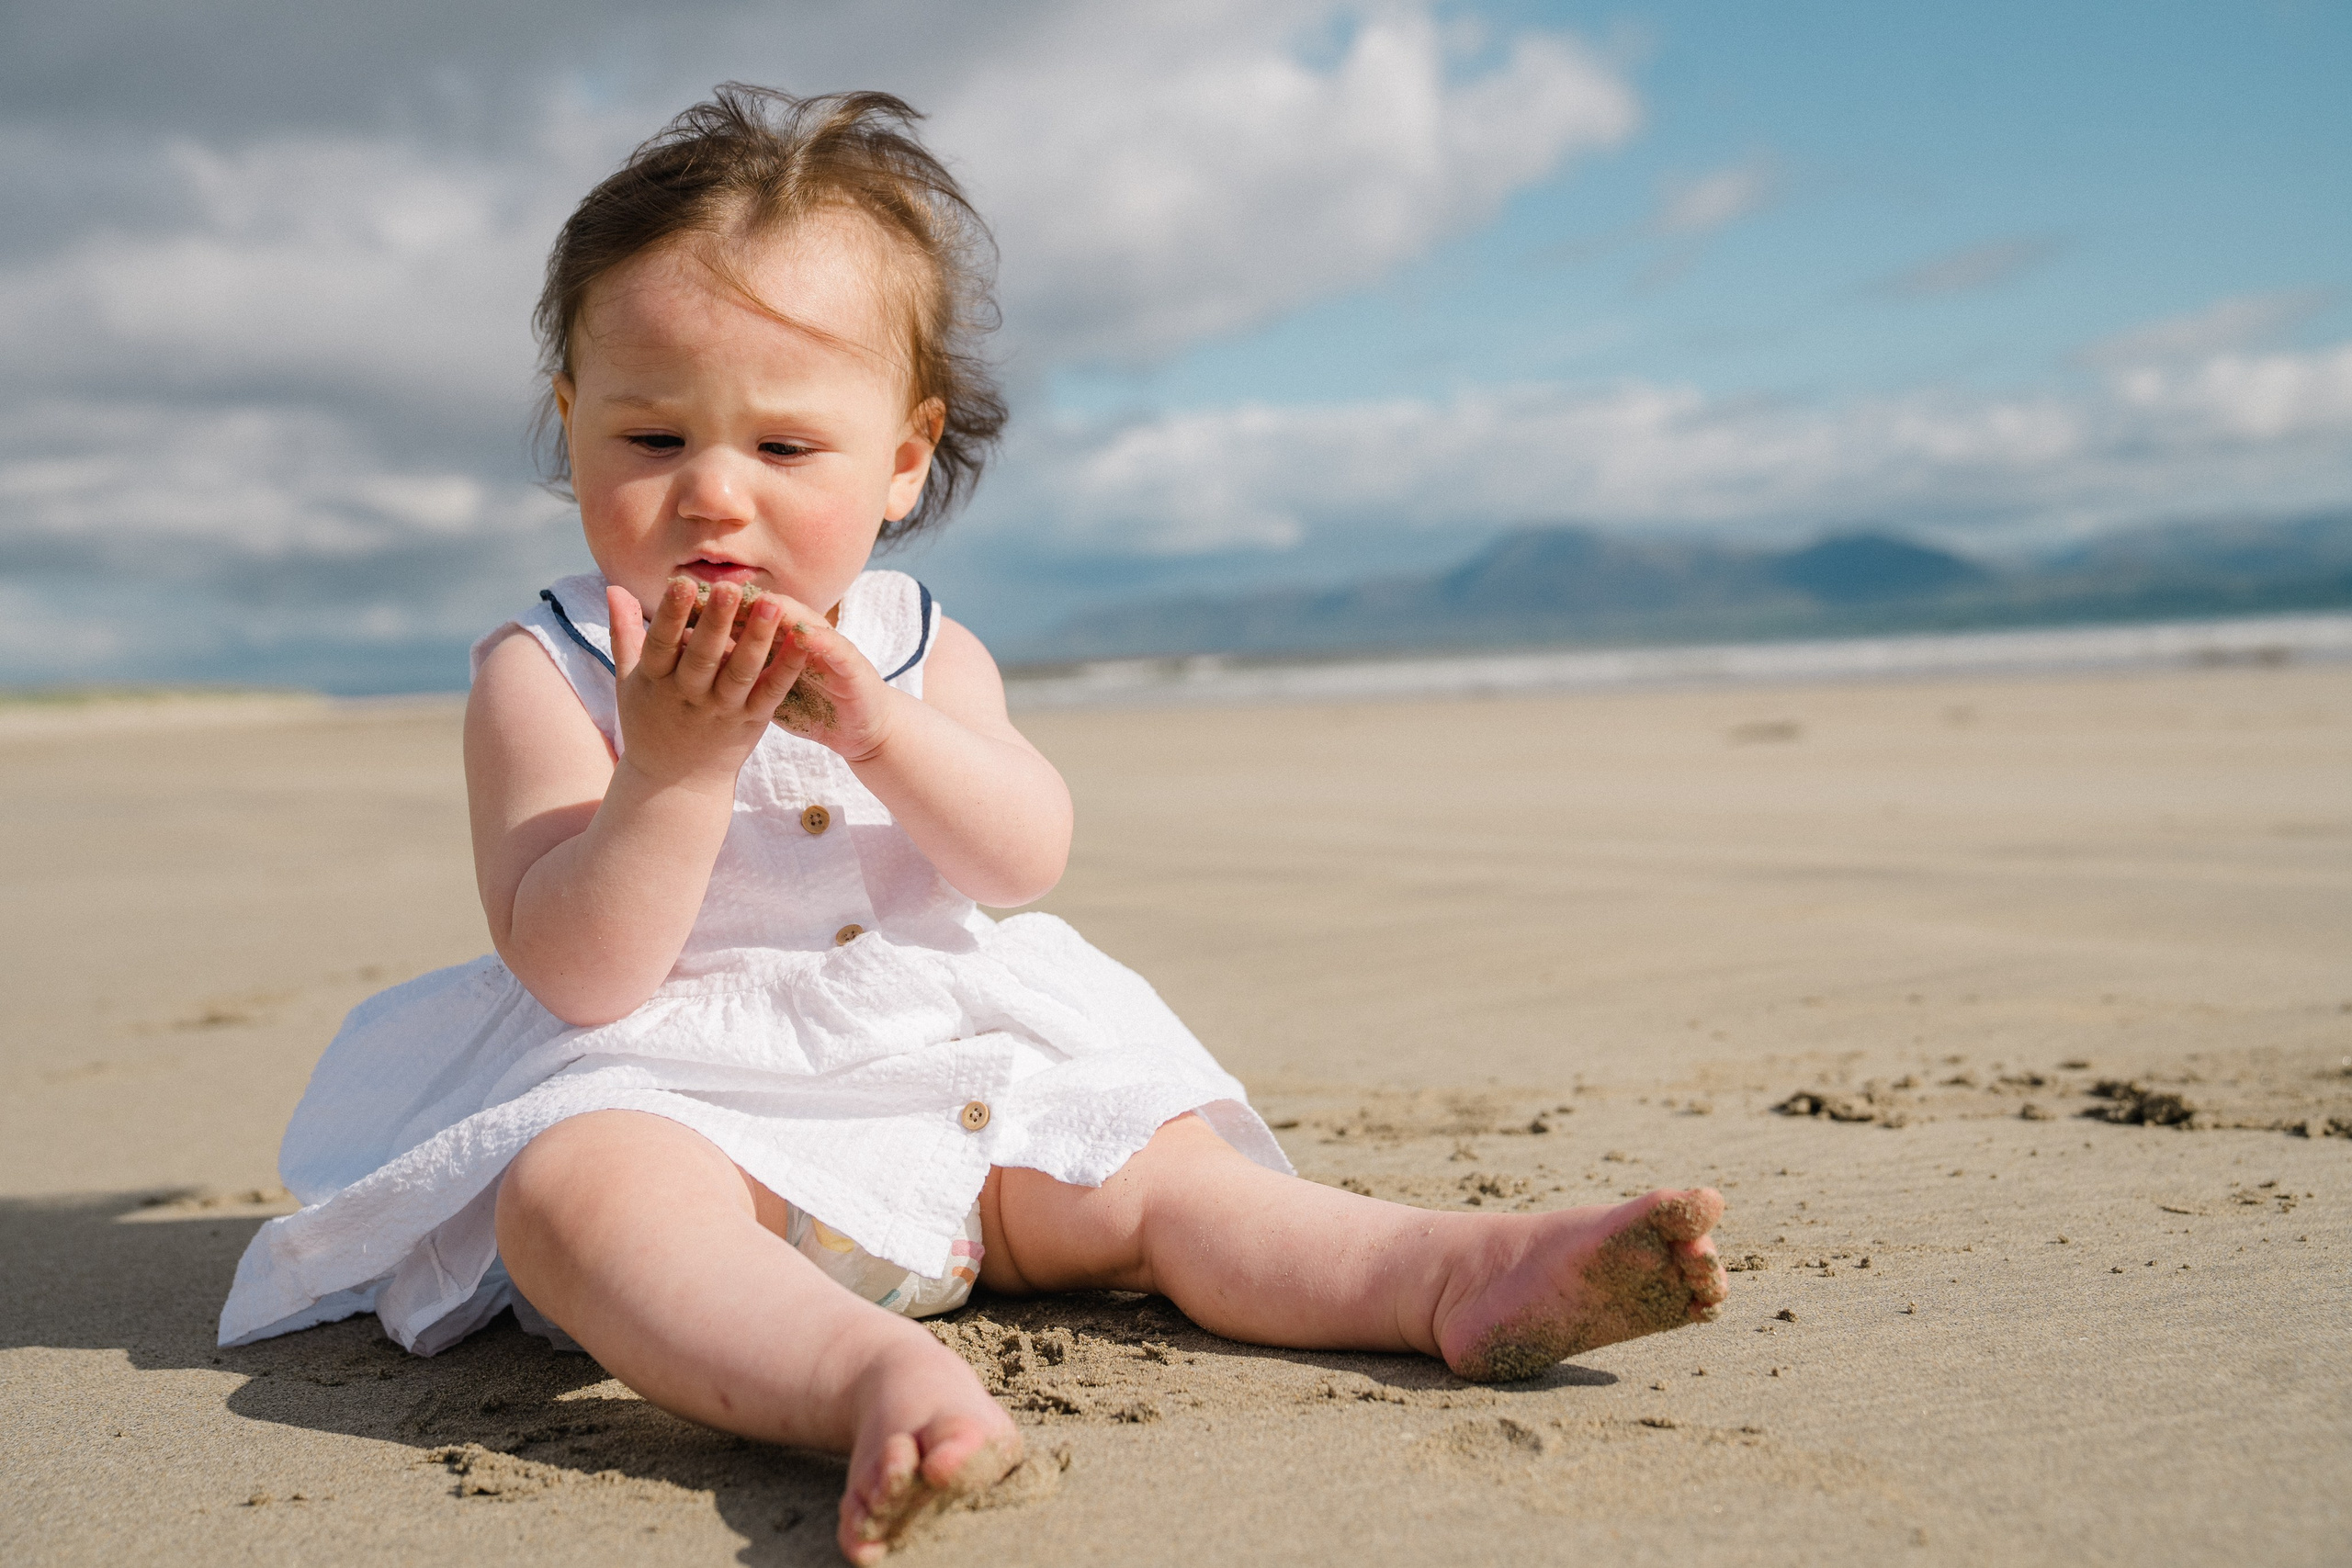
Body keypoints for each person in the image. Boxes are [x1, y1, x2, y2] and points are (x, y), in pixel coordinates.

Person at [218, 85, 1727, 1564]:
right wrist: (669, 770)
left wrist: (882, 725)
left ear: (903, 456)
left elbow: (1021, 857)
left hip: (951, 1094)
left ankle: (1447, 1271)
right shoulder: (543, 670)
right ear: (572, 423)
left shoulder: (922, 644)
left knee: (1163, 1172)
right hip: (677, 1100)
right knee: (576, 1199)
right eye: (653, 440)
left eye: (786, 449)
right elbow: (579, 972)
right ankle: (875, 1383)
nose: (714, 499)